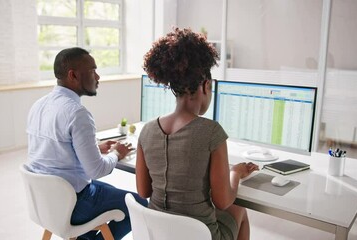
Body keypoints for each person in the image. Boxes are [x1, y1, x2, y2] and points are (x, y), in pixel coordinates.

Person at [136, 28, 259, 240]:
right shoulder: (211, 132)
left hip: (157, 234)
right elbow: (223, 201)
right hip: (200, 235)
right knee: (240, 211)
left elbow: (143, 191)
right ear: (206, 86)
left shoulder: (146, 131)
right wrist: (235, 173)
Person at [26, 47, 147, 240]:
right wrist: (116, 153)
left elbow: (51, 150)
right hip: (72, 203)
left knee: (114, 193)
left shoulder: (38, 105)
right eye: (92, 71)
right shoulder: (76, 113)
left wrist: (94, 149)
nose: (98, 77)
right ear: (73, 75)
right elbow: (96, 171)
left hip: (45, 201)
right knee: (139, 203)